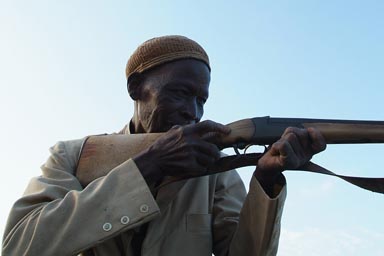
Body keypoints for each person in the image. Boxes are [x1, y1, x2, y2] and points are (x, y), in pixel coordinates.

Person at [2, 35, 326, 256]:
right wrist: (148, 166)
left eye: (201, 100)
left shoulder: (216, 169)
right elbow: (19, 245)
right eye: (181, 93)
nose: (193, 112)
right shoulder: (72, 156)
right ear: (136, 88)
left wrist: (266, 181)